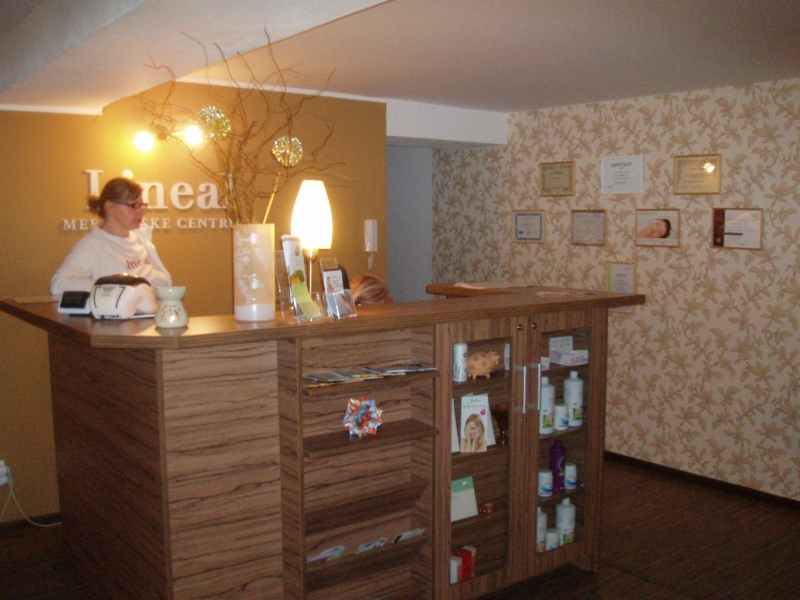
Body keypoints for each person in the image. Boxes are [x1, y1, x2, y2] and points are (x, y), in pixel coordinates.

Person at [50, 177, 172, 295]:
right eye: (135, 205)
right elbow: (59, 284)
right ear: (111, 207)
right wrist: (116, 287)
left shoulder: (141, 238)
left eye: (143, 205)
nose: (142, 211)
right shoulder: (91, 246)